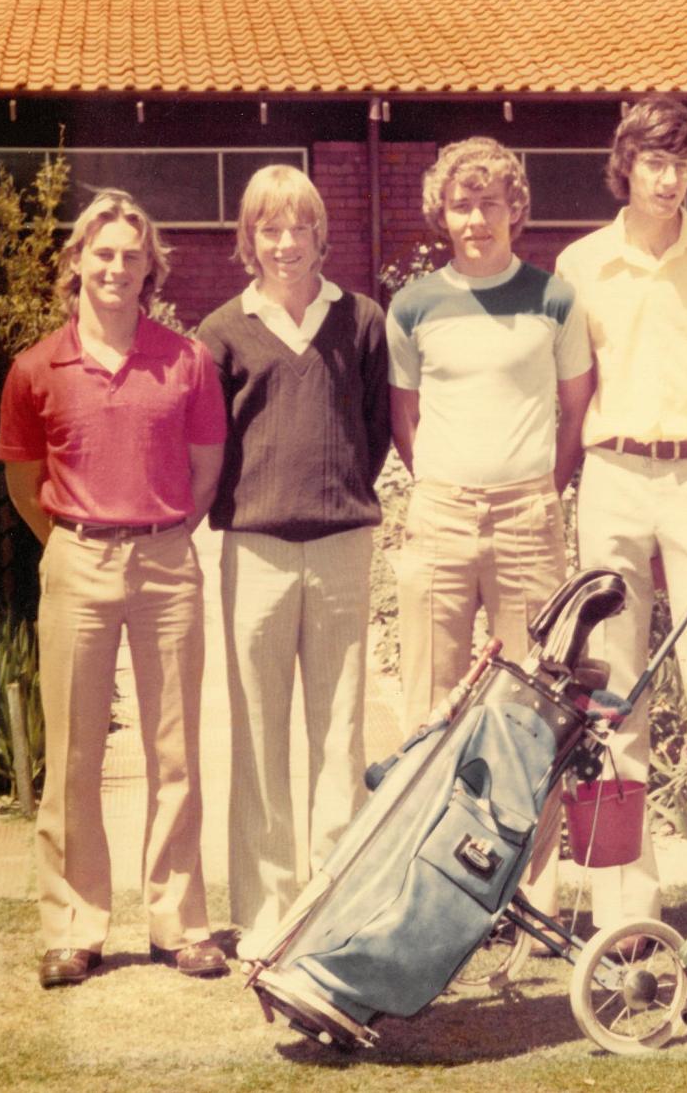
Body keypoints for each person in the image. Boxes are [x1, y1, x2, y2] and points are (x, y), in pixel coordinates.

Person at [0, 190, 229, 987]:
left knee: (176, 752)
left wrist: (157, 535)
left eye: (132, 255)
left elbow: (205, 471)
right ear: (77, 262)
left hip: (167, 560)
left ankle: (179, 923)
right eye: (103, 253)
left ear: (150, 268)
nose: (117, 268)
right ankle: (74, 927)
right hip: (77, 559)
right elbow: (24, 482)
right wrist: (75, 545)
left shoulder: (187, 360)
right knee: (73, 755)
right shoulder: (36, 367)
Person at [555, 97, 687, 933]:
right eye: (653, 161)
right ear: (626, 165)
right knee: (613, 697)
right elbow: (573, 390)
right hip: (612, 476)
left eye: (681, 163)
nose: (668, 178)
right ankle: (623, 912)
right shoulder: (581, 263)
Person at [387, 138, 592, 928]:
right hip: (441, 516)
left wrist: (538, 490)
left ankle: (530, 896)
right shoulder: (414, 305)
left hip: (527, 517)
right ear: (443, 215)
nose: (476, 220)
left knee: (532, 710)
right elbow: (407, 420)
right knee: (430, 704)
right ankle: (420, 889)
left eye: (490, 204)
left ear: (515, 210)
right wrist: (447, 487)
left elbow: (574, 412)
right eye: (462, 206)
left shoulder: (555, 300)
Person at [196, 165, 391, 958]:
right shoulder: (222, 332)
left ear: (320, 234)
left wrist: (336, 492)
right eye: (269, 229)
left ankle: (334, 901)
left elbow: (374, 430)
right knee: (258, 730)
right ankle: (267, 909)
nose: (285, 243)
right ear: (249, 240)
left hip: (341, 543)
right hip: (256, 549)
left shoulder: (362, 320)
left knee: (340, 731)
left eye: (298, 227)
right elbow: (214, 443)